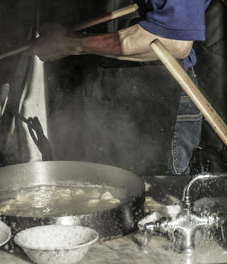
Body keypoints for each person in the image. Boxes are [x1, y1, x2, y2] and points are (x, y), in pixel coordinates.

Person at [31, 0, 212, 175]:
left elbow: (173, 42)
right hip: (98, 90)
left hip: (156, 99)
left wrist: (69, 43)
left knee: (153, 199)